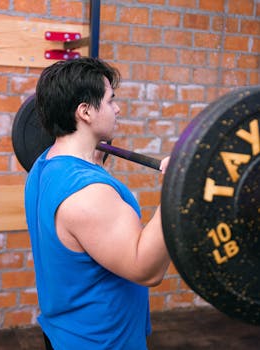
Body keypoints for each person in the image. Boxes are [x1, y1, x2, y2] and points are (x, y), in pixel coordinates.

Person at [24, 57, 171, 350]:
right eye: (109, 100)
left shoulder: (44, 167)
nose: (116, 109)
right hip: (102, 342)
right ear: (85, 112)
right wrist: (177, 190)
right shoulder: (88, 193)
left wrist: (93, 166)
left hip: (65, 332)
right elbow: (145, 269)